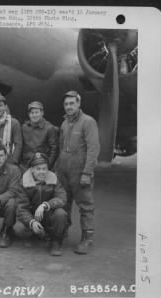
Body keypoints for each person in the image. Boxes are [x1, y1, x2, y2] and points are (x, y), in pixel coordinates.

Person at [56, 91, 100, 255]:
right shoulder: (64, 124)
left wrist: (87, 173)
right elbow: (61, 148)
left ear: (78, 103)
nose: (69, 107)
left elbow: (93, 149)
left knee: (85, 206)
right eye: (66, 104)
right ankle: (62, 232)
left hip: (80, 172)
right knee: (63, 203)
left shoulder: (88, 122)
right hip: (63, 172)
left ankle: (87, 238)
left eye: (72, 103)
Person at [15, 152, 69, 256]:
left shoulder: (54, 179)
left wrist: (45, 205)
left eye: (44, 169)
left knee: (61, 214)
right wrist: (31, 222)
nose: (42, 172)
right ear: (32, 170)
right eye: (38, 169)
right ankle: (34, 235)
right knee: (19, 228)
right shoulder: (24, 183)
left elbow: (62, 197)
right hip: (32, 216)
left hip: (48, 215)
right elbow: (21, 208)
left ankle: (55, 241)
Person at [21, 101, 58, 171]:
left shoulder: (49, 128)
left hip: (42, 165)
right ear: (29, 114)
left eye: (37, 112)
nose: (34, 115)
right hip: (26, 165)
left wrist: (47, 166)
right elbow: (21, 146)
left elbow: (54, 150)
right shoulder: (24, 127)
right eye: (32, 113)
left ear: (42, 113)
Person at [0, 95, 23, 165]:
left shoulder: (14, 123)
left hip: (8, 160)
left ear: (5, 107)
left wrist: (14, 160)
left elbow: (18, 144)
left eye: (0, 106)